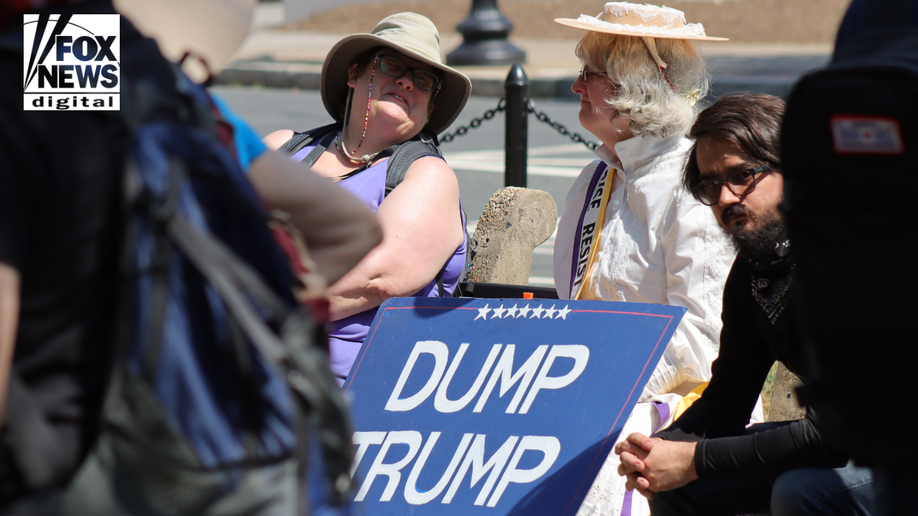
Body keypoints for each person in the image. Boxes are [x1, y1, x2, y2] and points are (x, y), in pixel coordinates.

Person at [0, 0, 380, 507]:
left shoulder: (17, 84)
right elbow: (349, 227)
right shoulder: (154, 84)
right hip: (198, 452)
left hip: (62, 472)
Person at [614, 93, 876, 516]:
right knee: (673, 487)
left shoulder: (852, 255)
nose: (725, 198)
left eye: (742, 176)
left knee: (802, 490)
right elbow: (728, 401)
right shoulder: (756, 269)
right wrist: (656, 452)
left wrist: (693, 461)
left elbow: (840, 428)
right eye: (709, 184)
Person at [551, 4, 738, 515]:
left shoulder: (694, 183)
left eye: (588, 75)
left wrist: (595, 382)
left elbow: (702, 340)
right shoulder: (594, 180)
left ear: (634, 88)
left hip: (681, 406)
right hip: (590, 384)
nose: (576, 88)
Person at [264, 12, 471, 385]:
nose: (407, 83)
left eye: (423, 79)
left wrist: (246, 308)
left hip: (347, 393)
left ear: (431, 106)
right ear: (354, 73)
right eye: (392, 66)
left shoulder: (427, 177)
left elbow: (374, 278)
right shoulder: (281, 147)